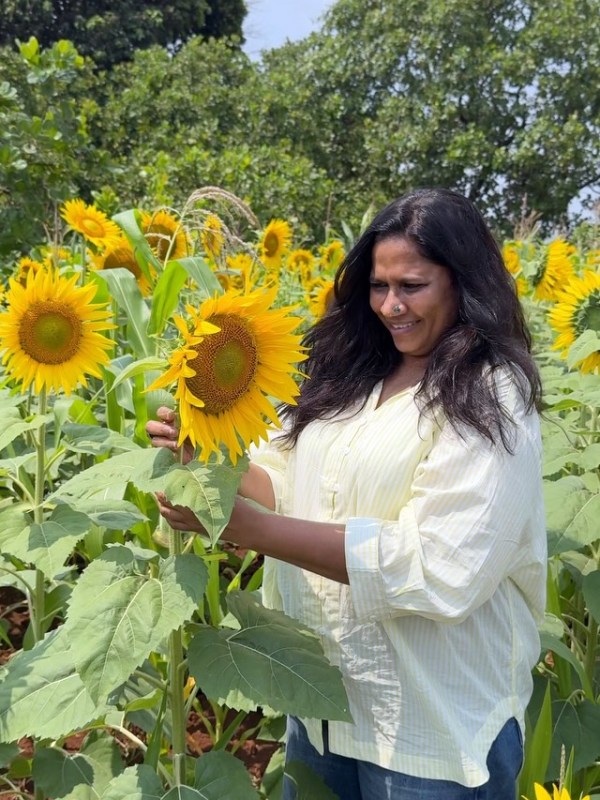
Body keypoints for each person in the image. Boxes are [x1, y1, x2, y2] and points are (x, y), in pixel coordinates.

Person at [146, 188, 547, 800]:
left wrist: (246, 530)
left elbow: (441, 565)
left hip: (431, 727)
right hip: (325, 708)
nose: (391, 305)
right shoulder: (349, 373)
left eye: (412, 286)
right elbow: (286, 481)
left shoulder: (492, 395)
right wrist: (208, 458)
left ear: (463, 284)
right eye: (378, 285)